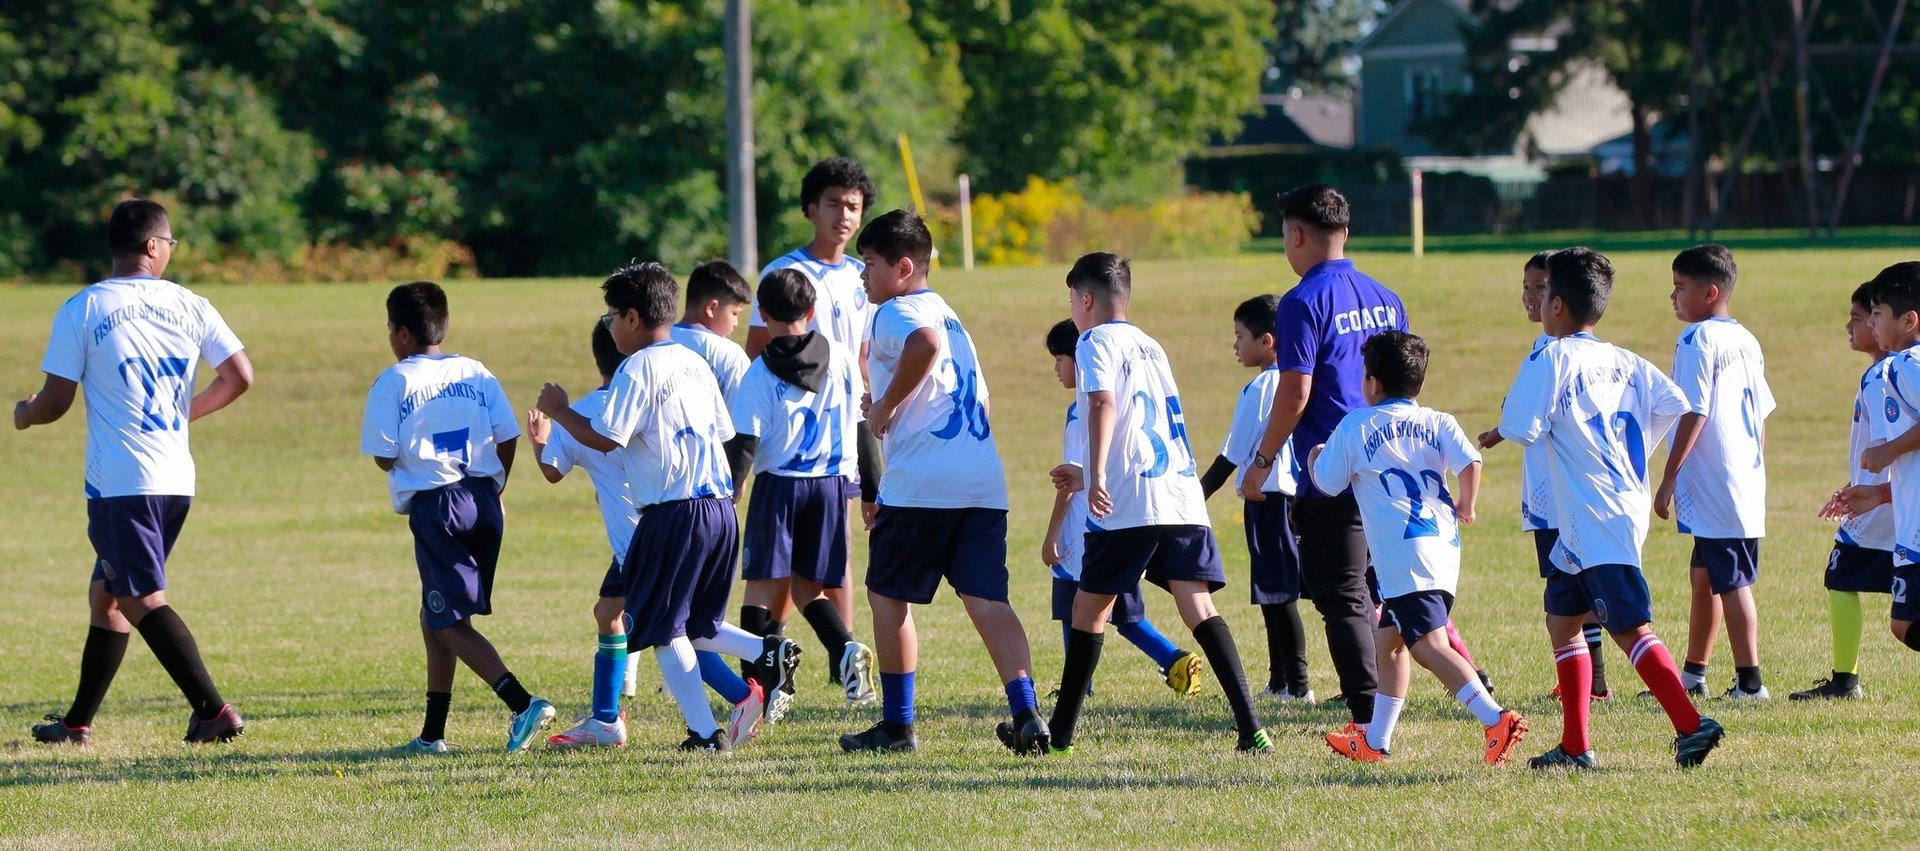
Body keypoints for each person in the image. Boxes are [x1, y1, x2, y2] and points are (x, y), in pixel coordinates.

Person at [536, 262, 801, 753]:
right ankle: (767, 652)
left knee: (665, 630)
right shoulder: (692, 361)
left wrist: (559, 410)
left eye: (614, 314)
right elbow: (725, 433)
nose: (611, 325)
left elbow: (605, 439)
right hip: (719, 505)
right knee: (699, 626)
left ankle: (707, 730)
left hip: (674, 511)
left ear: (633, 318)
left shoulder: (637, 367)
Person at [22, 199, 253, 746]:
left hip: (122, 481)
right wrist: (182, 416)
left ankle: (213, 710)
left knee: (139, 598)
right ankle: (76, 724)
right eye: (170, 242)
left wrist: (24, 413)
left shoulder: (85, 306)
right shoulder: (191, 304)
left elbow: (56, 400)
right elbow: (239, 375)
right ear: (152, 245)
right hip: (175, 476)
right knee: (107, 592)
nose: (170, 251)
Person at [1497, 247, 1725, 770]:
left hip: (1594, 515)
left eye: (1543, 291)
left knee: (1628, 628)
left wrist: (1513, 426)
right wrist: (1629, 453)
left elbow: (1520, 425)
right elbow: (1674, 403)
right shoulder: (1623, 359)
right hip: (1609, 505)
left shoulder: (1550, 356)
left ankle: (1692, 724)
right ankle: (1576, 747)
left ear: (1556, 306)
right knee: (1563, 622)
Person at [1046, 252, 1271, 755]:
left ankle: (1058, 737)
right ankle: (1251, 727)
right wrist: (1092, 470)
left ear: (1085, 300)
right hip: (1180, 493)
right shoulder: (1151, 345)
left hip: (1132, 502)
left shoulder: (1092, 342)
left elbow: (1103, 404)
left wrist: (1097, 474)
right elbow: (1146, 425)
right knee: (1198, 605)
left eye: (1071, 299)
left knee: (1087, 609)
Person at [839, 209, 1045, 754]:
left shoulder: (897, 312)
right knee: (987, 600)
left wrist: (883, 407)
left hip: (922, 485)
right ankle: (1027, 714)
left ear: (903, 267)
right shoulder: (952, 315)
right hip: (981, 480)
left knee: (887, 595)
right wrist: (892, 403)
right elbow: (979, 395)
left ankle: (898, 724)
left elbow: (923, 345)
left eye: (871, 264)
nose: (864, 276)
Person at [1311, 331, 1527, 765]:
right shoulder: (1440, 421)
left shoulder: (1357, 424)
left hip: (1404, 556)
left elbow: (1328, 483)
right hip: (1440, 547)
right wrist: (1467, 503)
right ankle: (1375, 742)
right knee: (1389, 644)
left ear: (1371, 382)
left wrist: (1316, 456)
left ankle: (1495, 719)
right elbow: (1471, 460)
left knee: (1428, 645)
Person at [360, 281, 554, 753]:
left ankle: (522, 702)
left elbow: (383, 456)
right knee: (435, 615)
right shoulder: (476, 371)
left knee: (446, 619)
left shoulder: (394, 380)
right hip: (484, 501)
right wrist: (497, 485)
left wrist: (407, 454)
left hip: (438, 507)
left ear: (402, 334)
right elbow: (507, 435)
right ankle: (432, 735)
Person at [1241, 183, 1404, 727]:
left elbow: (1294, 393)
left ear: (1296, 235)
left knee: (1343, 595)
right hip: (1389, 457)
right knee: (1384, 588)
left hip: (1335, 468)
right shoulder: (1386, 296)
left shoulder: (1302, 301)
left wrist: (1261, 463)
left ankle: (1367, 717)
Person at [748, 157, 880, 666]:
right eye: (833, 204)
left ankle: (835, 659)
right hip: (797, 431)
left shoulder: (862, 277)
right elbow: (758, 351)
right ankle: (787, 647)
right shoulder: (786, 272)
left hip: (848, 423)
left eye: (853, 206)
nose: (843, 215)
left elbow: (866, 353)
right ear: (811, 208)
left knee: (832, 555)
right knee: (788, 559)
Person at [729, 267, 880, 708]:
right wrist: (871, 489)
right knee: (807, 589)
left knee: (759, 587)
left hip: (780, 486)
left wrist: (732, 487)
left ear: (762, 313)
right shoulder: (842, 359)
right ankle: (844, 649)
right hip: (832, 486)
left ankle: (755, 691)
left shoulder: (759, 374)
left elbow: (745, 443)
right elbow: (862, 427)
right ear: (812, 311)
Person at [1042, 318, 1204, 697]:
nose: (1056, 369)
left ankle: (1080, 687)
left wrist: (1051, 536)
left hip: (1090, 526)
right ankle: (1173, 658)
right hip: (1125, 514)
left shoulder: (1082, 410)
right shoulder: (1123, 397)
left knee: (1075, 604)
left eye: (1059, 359)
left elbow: (1069, 481)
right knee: (1123, 612)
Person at [1479, 251, 1611, 701]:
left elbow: (1527, 419)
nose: (1531, 296)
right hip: (1559, 492)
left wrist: (1500, 429)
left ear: (1560, 296)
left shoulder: (1554, 352)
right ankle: (1591, 681)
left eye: (1541, 287)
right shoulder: (1547, 349)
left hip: (1559, 494)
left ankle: (1590, 681)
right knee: (1577, 593)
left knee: (1572, 597)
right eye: (1526, 286)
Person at [1652, 244, 1775, 700]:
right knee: (1704, 575)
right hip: (1741, 475)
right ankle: (1693, 675)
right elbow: (1761, 414)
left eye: (1680, 288)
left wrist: (1668, 477)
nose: (1673, 297)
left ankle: (1751, 682)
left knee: (1732, 580)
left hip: (1715, 481)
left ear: (1710, 292)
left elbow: (1693, 412)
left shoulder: (1697, 340)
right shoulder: (1746, 338)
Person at [1199, 295, 1310, 701]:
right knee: (1272, 593)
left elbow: (1231, 453)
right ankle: (1279, 681)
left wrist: (1197, 494)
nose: (1235, 346)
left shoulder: (1263, 386)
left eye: (1240, 337)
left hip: (1269, 498)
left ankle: (1297, 686)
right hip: (1286, 498)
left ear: (1267, 341)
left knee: (1279, 593)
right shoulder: (1295, 380)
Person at [1796, 282, 1897, 700]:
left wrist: (1879, 491)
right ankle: (1844, 680)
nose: (1852, 326)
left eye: (1861, 318)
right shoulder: (1879, 373)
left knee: (1841, 577)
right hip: (1880, 498)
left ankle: (1845, 681)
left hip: (1885, 505)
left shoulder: (1886, 376)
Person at [1848, 262, 1920, 666]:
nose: (1871, 323)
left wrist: (1888, 451)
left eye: (1878, 313)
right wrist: (1880, 492)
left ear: (1909, 320)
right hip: (1911, 520)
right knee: (1905, 622)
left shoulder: (1906, 365)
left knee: (1906, 623)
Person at [672, 260, 753, 398]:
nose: (736, 323)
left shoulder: (655, 341)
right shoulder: (731, 356)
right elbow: (740, 415)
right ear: (711, 308)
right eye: (735, 313)